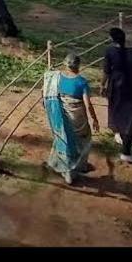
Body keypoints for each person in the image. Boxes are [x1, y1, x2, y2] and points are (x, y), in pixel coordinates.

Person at [43, 51, 99, 185]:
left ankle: (56, 163)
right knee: (83, 139)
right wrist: (94, 119)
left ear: (65, 64)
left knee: (62, 138)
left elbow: (45, 91)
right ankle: (73, 169)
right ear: (78, 65)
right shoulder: (82, 82)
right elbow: (88, 104)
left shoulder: (56, 78)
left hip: (61, 117)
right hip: (77, 118)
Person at [103, 27, 132, 165]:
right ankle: (126, 149)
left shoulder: (110, 52)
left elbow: (106, 72)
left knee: (117, 112)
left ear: (112, 39)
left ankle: (122, 142)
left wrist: (102, 85)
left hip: (117, 88)